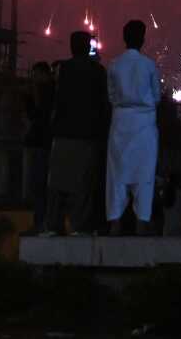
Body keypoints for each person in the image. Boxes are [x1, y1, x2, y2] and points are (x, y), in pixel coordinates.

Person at [47, 31, 109, 236]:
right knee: (83, 183)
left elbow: (55, 100)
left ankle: (54, 224)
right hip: (88, 135)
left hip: (63, 133)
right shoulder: (98, 71)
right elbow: (104, 103)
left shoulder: (62, 69)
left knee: (58, 182)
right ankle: (80, 226)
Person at [105, 20, 162, 236]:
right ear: (143, 39)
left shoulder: (113, 65)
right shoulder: (149, 65)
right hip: (145, 125)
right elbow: (156, 96)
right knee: (144, 175)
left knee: (117, 174)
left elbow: (111, 96)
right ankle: (142, 222)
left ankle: (115, 223)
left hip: (120, 123)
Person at [23, 61, 56, 235]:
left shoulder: (46, 93)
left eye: (35, 75)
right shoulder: (49, 91)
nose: (33, 79)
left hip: (42, 144)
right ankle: (43, 222)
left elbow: (37, 117)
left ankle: (42, 223)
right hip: (43, 144)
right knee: (40, 186)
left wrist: (30, 98)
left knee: (39, 186)